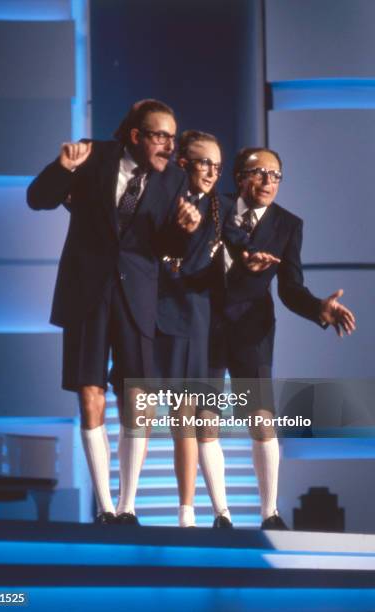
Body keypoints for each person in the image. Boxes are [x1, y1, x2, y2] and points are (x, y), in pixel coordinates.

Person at [27, 99, 201, 526]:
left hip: (139, 299)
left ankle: (128, 505)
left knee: (136, 403)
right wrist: (63, 169)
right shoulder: (93, 156)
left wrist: (186, 230)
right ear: (137, 136)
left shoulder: (176, 180)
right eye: (160, 136)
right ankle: (104, 505)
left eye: (173, 137)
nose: (169, 145)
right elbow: (38, 199)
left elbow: (168, 250)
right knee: (91, 397)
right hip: (86, 292)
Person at [208, 147, 356, 529]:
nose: (269, 182)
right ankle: (220, 514)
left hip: (252, 326)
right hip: (203, 323)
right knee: (205, 418)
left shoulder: (288, 225)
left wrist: (318, 308)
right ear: (240, 177)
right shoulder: (215, 207)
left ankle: (269, 513)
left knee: (261, 418)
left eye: (276, 176)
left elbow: (291, 288)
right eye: (261, 173)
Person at [154, 132, 279, 528]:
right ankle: (200, 512)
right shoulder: (156, 203)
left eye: (217, 165)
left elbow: (239, 239)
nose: (211, 172)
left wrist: (250, 256)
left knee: (219, 416)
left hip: (207, 319)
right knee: (183, 417)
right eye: (204, 162)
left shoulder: (219, 208)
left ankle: (243, 513)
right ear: (183, 164)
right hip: (167, 316)